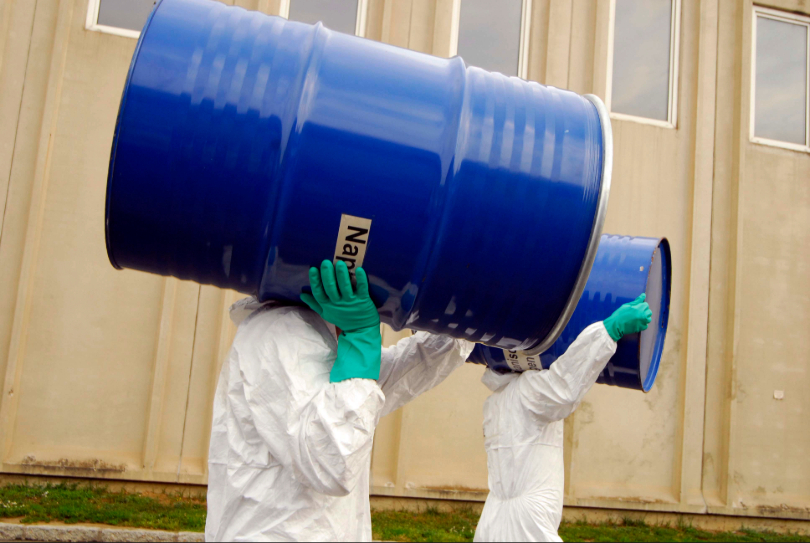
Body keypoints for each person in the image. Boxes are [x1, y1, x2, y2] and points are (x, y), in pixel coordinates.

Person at [206, 259, 474, 542]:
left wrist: (455, 311)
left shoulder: (320, 338)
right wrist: (360, 338)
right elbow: (332, 460)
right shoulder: (282, 331)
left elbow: (411, 368)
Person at [474, 294, 653, 542]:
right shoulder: (526, 392)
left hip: (493, 521)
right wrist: (609, 329)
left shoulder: (495, 402)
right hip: (528, 524)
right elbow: (563, 386)